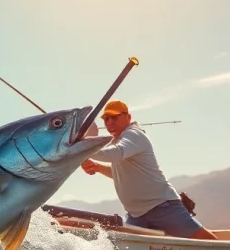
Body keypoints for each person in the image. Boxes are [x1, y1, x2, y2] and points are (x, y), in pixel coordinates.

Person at [81, 100, 217, 240]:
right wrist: (97, 167)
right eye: (106, 119)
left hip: (163, 208)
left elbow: (116, 153)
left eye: (114, 118)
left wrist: (83, 148)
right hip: (136, 216)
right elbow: (122, 175)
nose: (109, 122)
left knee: (208, 242)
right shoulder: (117, 141)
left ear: (128, 117)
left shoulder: (134, 135)